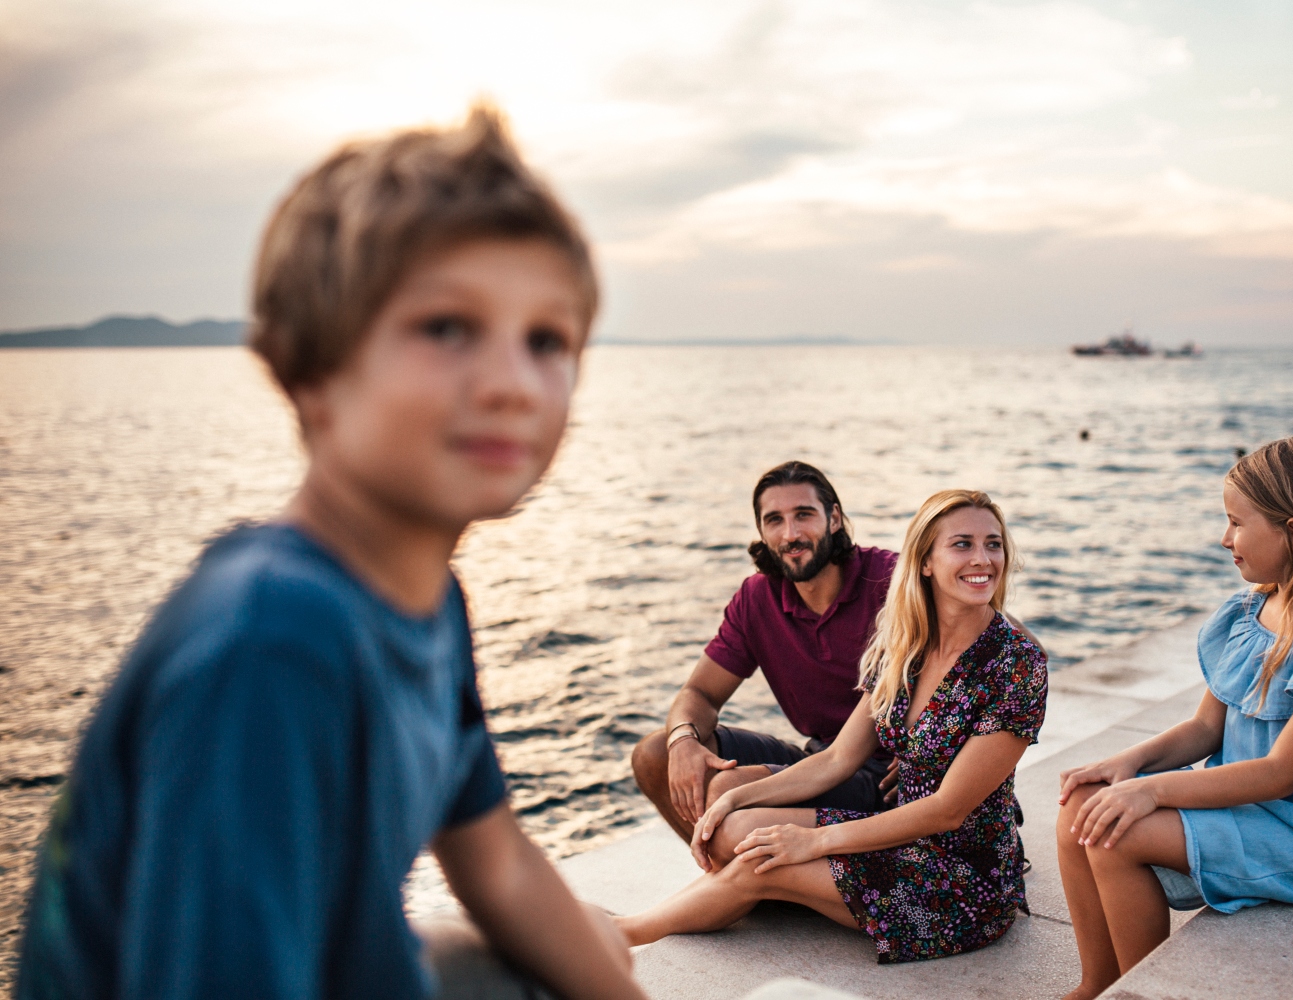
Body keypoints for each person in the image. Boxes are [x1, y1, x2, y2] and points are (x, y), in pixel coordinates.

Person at [17, 105, 645, 1000]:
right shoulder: (275, 640)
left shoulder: (428, 602)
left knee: (591, 944)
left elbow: (496, 862)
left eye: (547, 340)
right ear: (311, 369)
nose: (510, 383)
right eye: (446, 327)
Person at [1054, 436, 1293, 1000]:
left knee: (1114, 836)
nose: (1224, 538)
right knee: (1080, 810)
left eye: (1236, 523)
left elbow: (1281, 773)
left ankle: (1138, 991)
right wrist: (1128, 764)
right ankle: (1098, 982)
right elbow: (1206, 729)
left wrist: (1151, 794)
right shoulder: (1251, 614)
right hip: (1244, 807)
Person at [617, 490, 1048, 965]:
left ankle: (626, 933)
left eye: (993, 544)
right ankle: (638, 926)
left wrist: (815, 841)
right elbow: (838, 759)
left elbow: (947, 811)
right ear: (924, 562)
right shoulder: (903, 642)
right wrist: (732, 798)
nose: (983, 559)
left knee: (760, 862)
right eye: (962, 545)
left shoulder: (1016, 664)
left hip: (964, 876)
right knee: (740, 829)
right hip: (897, 835)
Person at [631, 461, 902, 840]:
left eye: (804, 515)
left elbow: (995, 636)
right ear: (762, 530)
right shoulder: (758, 599)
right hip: (821, 761)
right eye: (774, 520)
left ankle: (750, 885)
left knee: (728, 791)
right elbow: (700, 694)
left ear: (835, 519)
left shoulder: (893, 579)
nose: (790, 534)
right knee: (655, 755)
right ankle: (736, 879)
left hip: (891, 779)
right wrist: (683, 740)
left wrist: (934, 752)